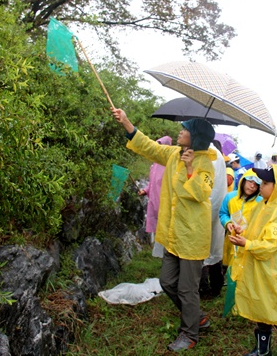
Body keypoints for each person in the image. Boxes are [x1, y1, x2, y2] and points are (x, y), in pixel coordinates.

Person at [111, 107, 216, 352]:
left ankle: (189, 334)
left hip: (191, 236)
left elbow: (201, 193)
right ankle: (197, 316)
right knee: (167, 282)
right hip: (172, 233)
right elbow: (147, 146)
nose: (180, 132)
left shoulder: (206, 164)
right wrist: (126, 122)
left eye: (185, 129)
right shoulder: (172, 154)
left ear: (196, 137)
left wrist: (191, 169)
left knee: (187, 289)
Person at [228, 165, 277, 356]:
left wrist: (247, 244)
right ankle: (262, 349)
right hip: (258, 267)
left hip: (273, 271)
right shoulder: (262, 205)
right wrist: (243, 231)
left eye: (266, 183)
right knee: (260, 305)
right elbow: (254, 228)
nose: (261, 186)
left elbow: (271, 245)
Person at [220, 169, 263, 279]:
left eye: (256, 184)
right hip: (232, 238)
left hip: (249, 239)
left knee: (247, 267)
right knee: (232, 264)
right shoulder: (230, 197)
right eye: (250, 182)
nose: (252, 186)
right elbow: (223, 213)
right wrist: (227, 223)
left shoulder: (260, 202)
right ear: (243, 181)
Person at [199, 142, 228, 300]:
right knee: (214, 248)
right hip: (216, 208)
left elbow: (205, 186)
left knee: (203, 250)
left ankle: (204, 287)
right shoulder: (217, 154)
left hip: (206, 208)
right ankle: (215, 285)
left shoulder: (209, 152)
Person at [138, 136, 172, 257]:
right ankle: (162, 254)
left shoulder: (169, 163)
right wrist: (145, 190)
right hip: (154, 200)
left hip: (164, 201)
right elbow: (152, 182)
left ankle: (167, 255)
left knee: (165, 228)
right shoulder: (154, 164)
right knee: (158, 228)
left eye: (160, 145)